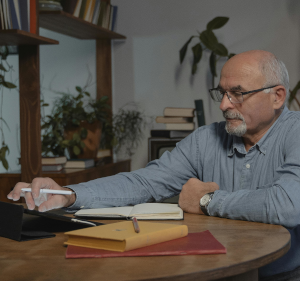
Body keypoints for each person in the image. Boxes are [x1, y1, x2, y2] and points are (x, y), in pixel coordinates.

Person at [7, 50, 300, 280]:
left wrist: (207, 200)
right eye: (221, 93)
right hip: (213, 273)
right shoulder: (204, 140)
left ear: (277, 96)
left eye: (237, 93)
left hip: (283, 275)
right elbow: (145, 182)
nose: (224, 105)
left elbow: (287, 204)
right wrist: (68, 194)